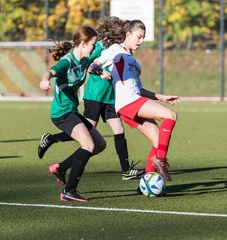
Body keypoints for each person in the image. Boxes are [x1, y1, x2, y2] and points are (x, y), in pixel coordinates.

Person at [38, 17, 144, 181]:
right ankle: (57, 154)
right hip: (92, 96)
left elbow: (93, 65)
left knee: (111, 136)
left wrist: (102, 72)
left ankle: (125, 169)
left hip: (108, 96)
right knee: (87, 140)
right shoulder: (95, 48)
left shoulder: (119, 49)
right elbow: (63, 68)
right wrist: (45, 80)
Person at [95, 19, 179, 187]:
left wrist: (161, 97)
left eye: (143, 38)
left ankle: (145, 184)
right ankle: (160, 160)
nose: (141, 41)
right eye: (138, 37)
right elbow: (94, 65)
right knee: (170, 115)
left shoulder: (131, 58)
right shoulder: (116, 50)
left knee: (158, 141)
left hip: (132, 102)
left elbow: (139, 89)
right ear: (128, 34)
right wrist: (101, 72)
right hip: (129, 102)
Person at [39, 26, 107, 202]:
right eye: (92, 44)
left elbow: (101, 49)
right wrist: (44, 80)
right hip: (61, 114)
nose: (94, 47)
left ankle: (61, 168)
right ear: (83, 44)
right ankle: (69, 190)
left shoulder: (87, 56)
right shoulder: (67, 62)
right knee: (88, 145)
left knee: (100, 144)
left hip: (72, 112)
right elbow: (50, 72)